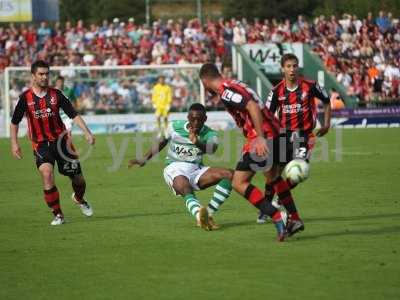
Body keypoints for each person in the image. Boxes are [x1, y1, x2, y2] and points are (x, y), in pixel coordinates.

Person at [199, 63, 303, 241]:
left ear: (205, 81)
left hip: (264, 137)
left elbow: (252, 107)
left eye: (203, 84)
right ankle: (294, 218)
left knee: (239, 182)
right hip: (277, 133)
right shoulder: (235, 84)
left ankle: (277, 218)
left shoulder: (226, 91)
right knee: (273, 177)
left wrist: (260, 137)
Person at [10, 60, 95, 226]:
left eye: (47, 74)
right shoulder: (25, 98)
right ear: (33, 76)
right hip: (40, 144)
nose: (44, 77)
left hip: (63, 143)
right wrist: (14, 144)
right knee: (47, 174)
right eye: (41, 74)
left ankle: (79, 199)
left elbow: (73, 114)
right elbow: (14, 122)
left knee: (79, 180)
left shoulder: (57, 95)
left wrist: (87, 132)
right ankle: (58, 215)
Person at [128, 103, 233, 231]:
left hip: (196, 169)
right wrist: (144, 158)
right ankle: (200, 216)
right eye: (193, 119)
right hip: (174, 168)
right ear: (187, 117)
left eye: (199, 119)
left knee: (229, 174)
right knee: (184, 186)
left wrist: (197, 142)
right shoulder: (174, 126)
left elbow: (211, 149)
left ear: (205, 119)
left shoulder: (210, 134)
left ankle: (208, 214)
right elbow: (162, 142)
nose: (195, 122)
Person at [259, 53, 331, 223]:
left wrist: (327, 124)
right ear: (282, 69)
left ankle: (277, 200)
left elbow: (327, 101)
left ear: (298, 67)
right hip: (282, 135)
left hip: (304, 136)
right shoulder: (276, 91)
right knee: (273, 173)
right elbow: (266, 115)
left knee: (299, 172)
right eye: (288, 66)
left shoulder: (311, 86)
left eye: (294, 66)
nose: (292, 69)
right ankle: (266, 208)